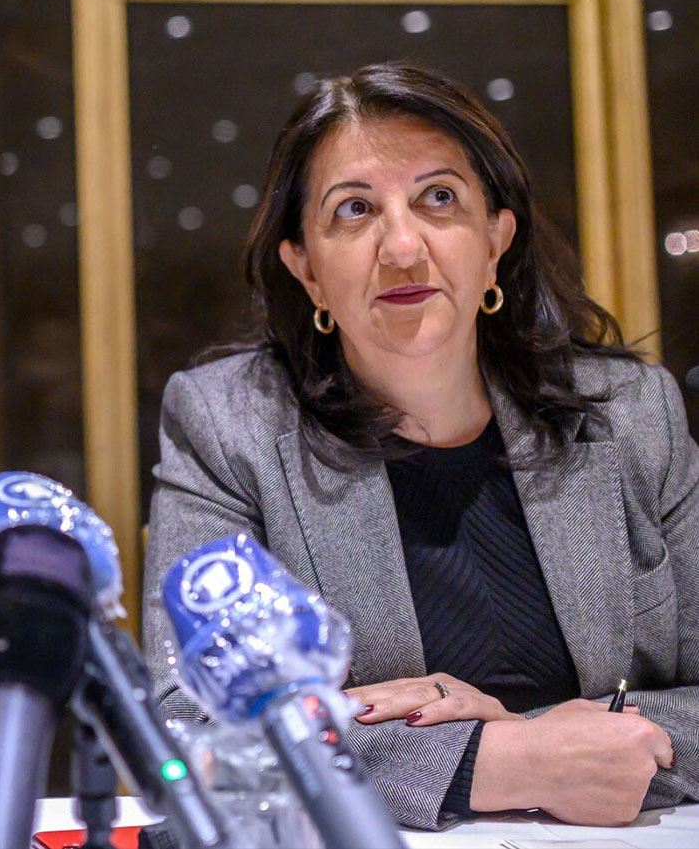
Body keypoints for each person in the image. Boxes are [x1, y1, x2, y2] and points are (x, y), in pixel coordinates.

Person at [143, 62, 699, 830]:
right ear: (306, 268)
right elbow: (183, 726)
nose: (403, 246)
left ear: (496, 239)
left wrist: (528, 733)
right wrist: (491, 761)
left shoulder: (633, 415)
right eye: (354, 209)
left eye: (439, 198)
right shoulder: (226, 425)